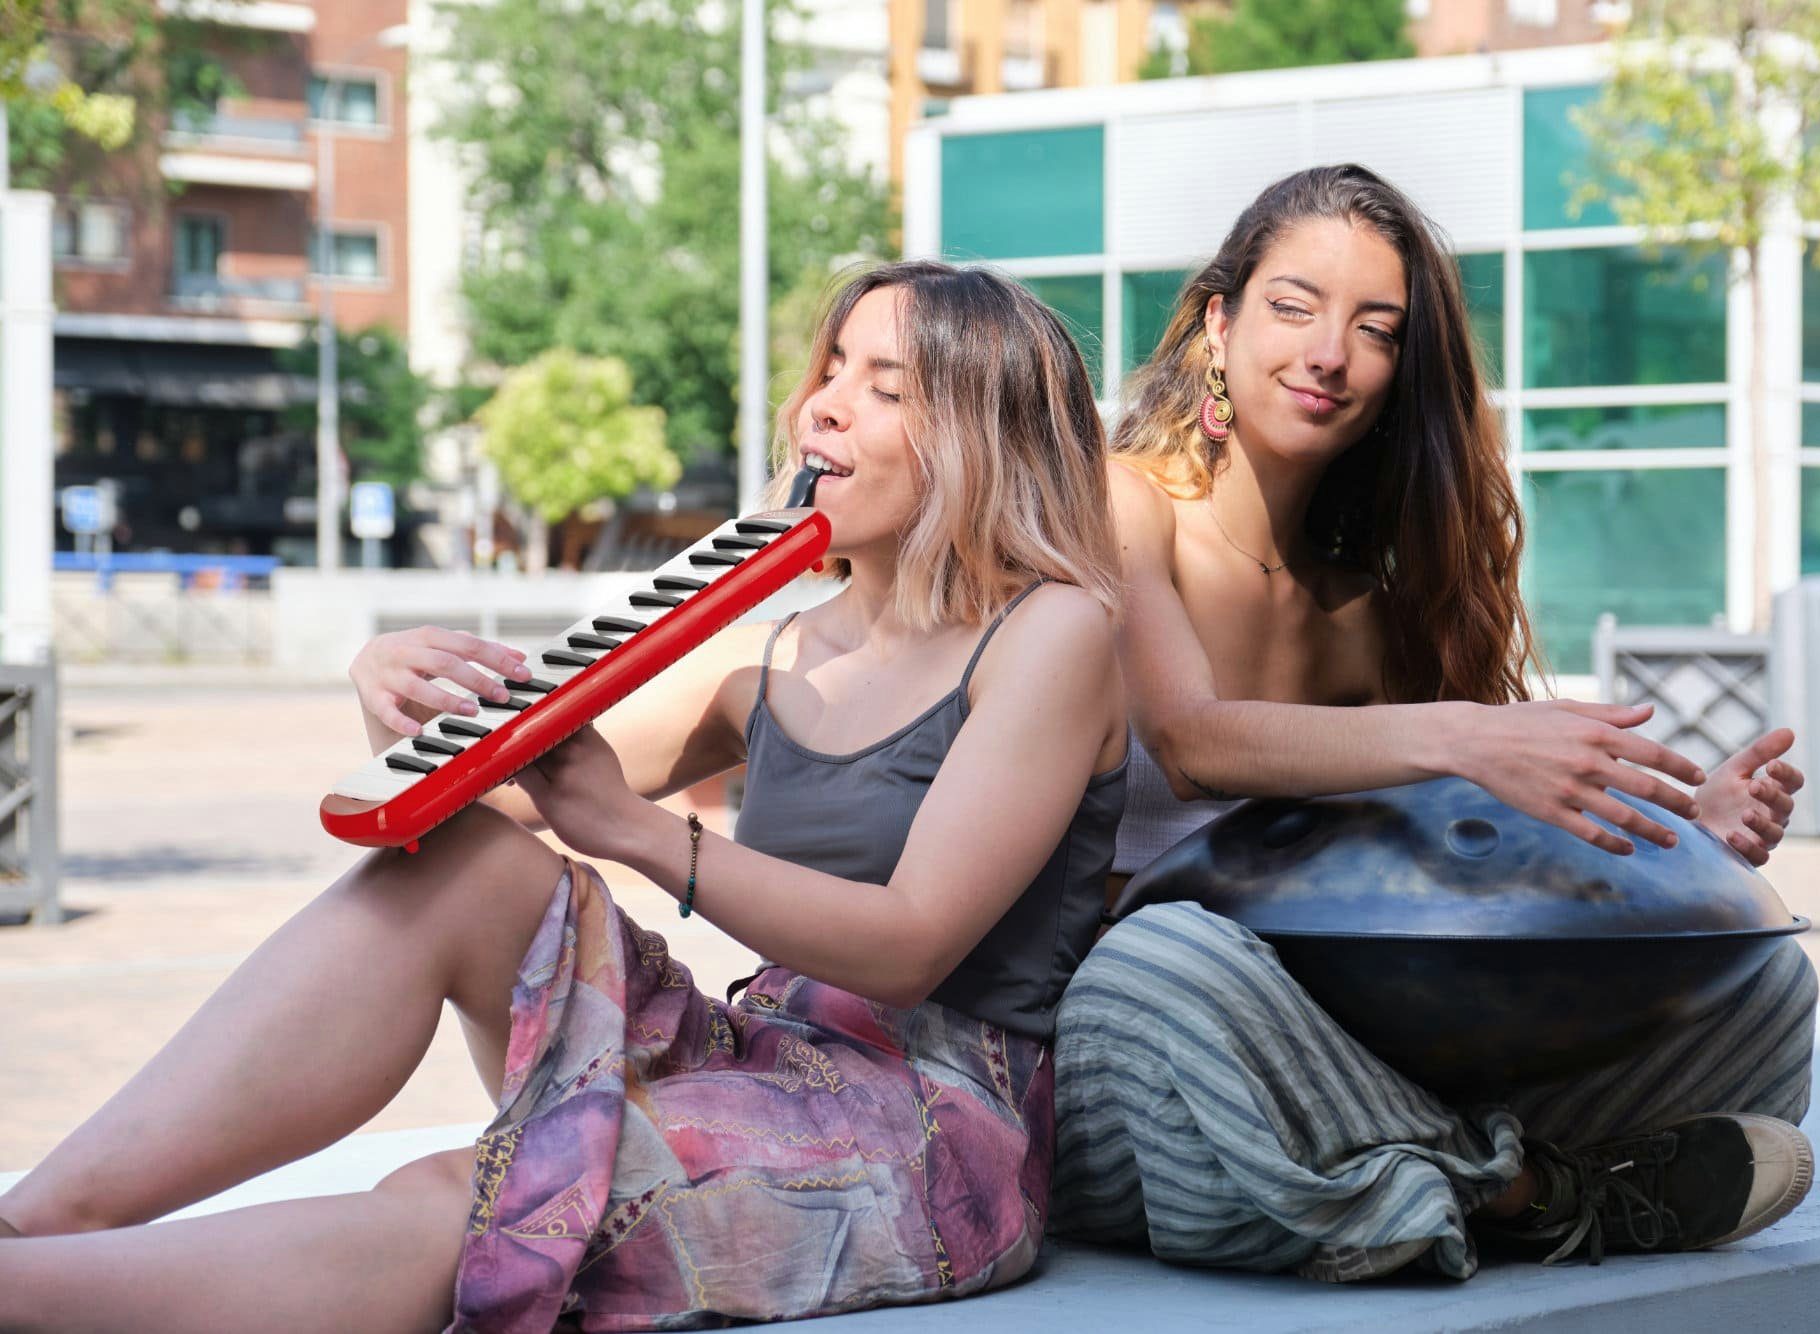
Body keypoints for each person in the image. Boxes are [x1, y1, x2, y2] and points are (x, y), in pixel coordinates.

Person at [0, 261, 1129, 1332]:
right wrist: (395, 707)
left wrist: (633, 830)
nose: (822, 407)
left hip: (921, 1134)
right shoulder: (776, 647)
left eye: (883, 388)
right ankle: (35, 1224)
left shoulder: (1050, 632)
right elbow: (479, 821)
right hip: (757, 1053)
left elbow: (911, 944)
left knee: (488, 1190)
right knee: (462, 866)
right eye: (830, 366)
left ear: (985, 441)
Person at [1052, 165, 1815, 1283]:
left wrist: (1678, 833)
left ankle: (1422, 1185)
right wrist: (1458, 732)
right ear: (1218, 320)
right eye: (1293, 306)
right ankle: (1541, 1193)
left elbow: (1473, 850)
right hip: (1143, 1048)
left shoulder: (1372, 604)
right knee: (1170, 956)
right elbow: (1191, 740)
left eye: (1375, 329)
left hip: (1328, 1053)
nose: (1328, 353)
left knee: (1761, 983)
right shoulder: (1120, 503)